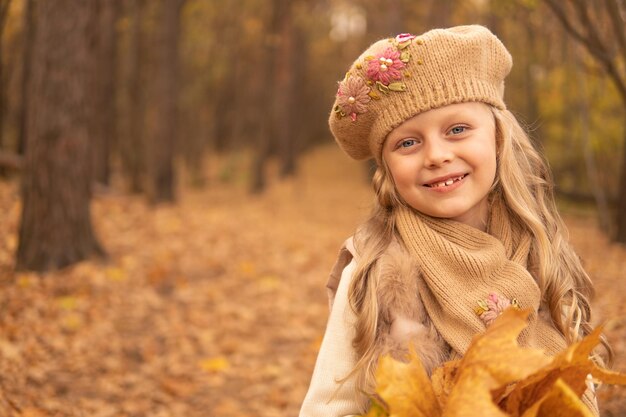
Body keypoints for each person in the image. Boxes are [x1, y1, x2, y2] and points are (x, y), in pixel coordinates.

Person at [299, 25, 611, 417]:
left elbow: (578, 382)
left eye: (457, 129)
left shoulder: (540, 249)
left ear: (497, 138)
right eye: (407, 143)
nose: (436, 155)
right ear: (387, 168)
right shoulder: (374, 265)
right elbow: (329, 408)